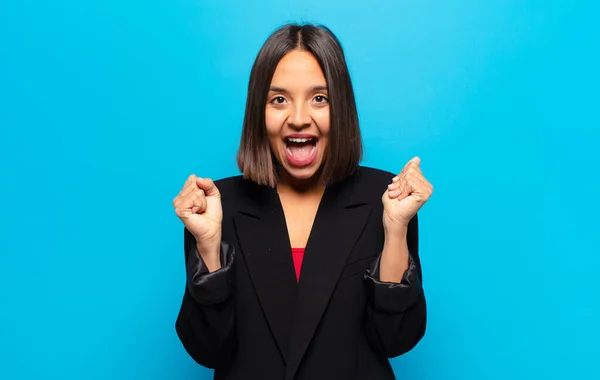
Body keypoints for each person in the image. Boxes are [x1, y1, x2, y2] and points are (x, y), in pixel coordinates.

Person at [172, 23, 434, 380]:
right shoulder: (217, 206)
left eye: (319, 98)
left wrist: (395, 229)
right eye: (279, 99)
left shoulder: (385, 200)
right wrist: (208, 246)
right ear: (258, 113)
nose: (298, 118)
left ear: (340, 108)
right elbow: (206, 349)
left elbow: (394, 341)